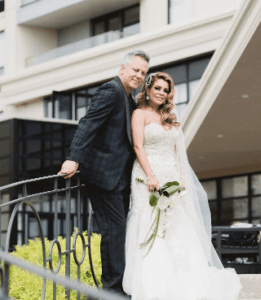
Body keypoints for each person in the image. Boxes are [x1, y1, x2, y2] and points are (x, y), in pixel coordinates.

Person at [123, 72, 242, 300]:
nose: (161, 93)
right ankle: (154, 286)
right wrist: (151, 176)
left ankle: (184, 283)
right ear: (148, 90)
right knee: (150, 226)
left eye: (165, 90)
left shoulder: (170, 116)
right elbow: (138, 147)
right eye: (157, 88)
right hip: (147, 178)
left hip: (172, 178)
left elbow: (178, 152)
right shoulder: (139, 114)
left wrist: (182, 181)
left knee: (177, 228)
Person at [58, 50, 149, 295]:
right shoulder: (111, 90)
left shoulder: (129, 99)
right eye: (135, 70)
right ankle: (112, 289)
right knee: (114, 229)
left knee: (119, 230)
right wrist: (73, 158)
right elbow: (88, 123)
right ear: (123, 69)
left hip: (119, 177)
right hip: (102, 174)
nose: (139, 75)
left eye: (143, 72)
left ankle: (119, 286)